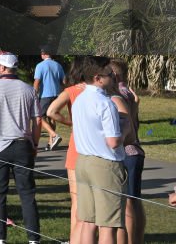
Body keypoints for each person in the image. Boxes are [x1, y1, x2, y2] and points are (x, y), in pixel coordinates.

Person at [0, 52, 41, 244]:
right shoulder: (29, 89)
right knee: (27, 194)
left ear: (3, 68)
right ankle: (34, 239)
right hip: (22, 145)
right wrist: (35, 144)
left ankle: (0, 238)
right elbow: (37, 120)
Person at [72, 56, 127, 244]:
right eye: (109, 74)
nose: (113, 77)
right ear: (98, 78)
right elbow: (113, 141)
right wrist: (126, 127)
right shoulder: (105, 103)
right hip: (104, 165)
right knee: (108, 225)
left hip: (83, 161)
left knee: (88, 221)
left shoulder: (79, 99)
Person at [47, 56, 89, 243]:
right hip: (96, 146)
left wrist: (70, 122)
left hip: (77, 144)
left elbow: (51, 111)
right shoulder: (99, 91)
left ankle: (75, 238)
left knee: (76, 201)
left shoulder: (71, 91)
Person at [109, 58, 144, 244]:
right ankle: (137, 239)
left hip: (127, 151)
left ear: (115, 74)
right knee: (135, 202)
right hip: (137, 150)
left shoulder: (117, 94)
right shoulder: (129, 92)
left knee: (125, 206)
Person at [33, 45, 66, 150]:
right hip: (56, 94)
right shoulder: (58, 65)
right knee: (52, 117)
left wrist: (33, 94)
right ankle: (51, 143)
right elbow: (64, 81)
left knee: (39, 117)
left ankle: (53, 135)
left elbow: (37, 82)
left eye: (41, 53)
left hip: (45, 95)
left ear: (44, 54)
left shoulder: (40, 65)